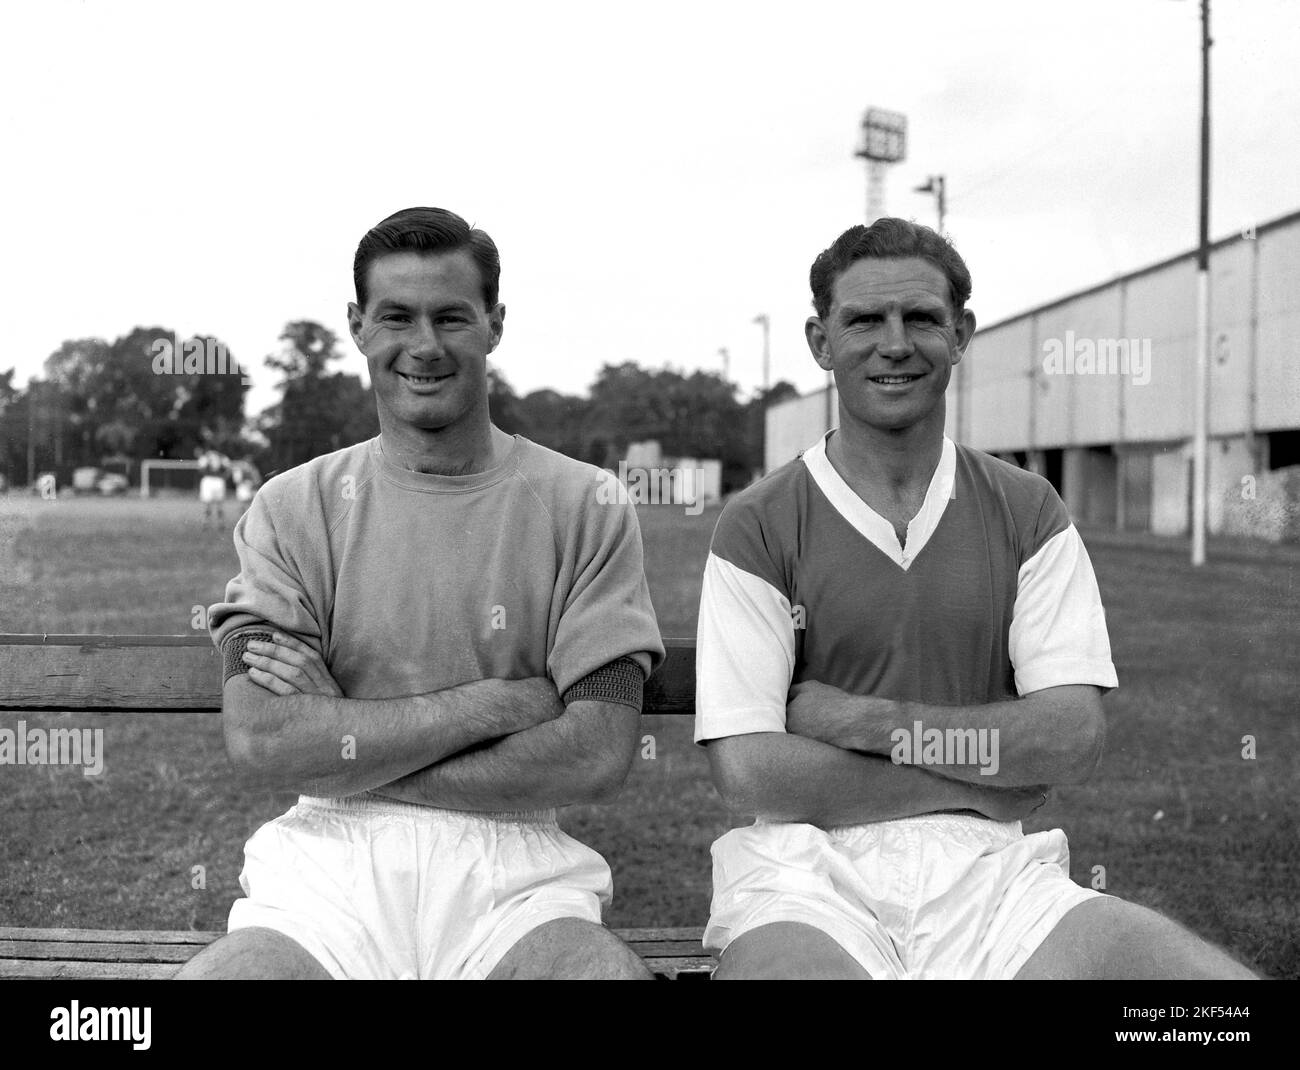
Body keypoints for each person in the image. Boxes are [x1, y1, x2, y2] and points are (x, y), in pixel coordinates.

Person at [694, 218, 1257, 980]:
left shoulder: (1028, 509)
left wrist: (866, 722)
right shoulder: (760, 522)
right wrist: (986, 776)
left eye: (921, 318)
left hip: (992, 873)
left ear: (960, 333)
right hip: (804, 875)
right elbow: (752, 773)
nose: (895, 343)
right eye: (864, 319)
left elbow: (1070, 738)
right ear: (820, 341)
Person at [178, 207, 664, 980]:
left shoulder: (584, 503)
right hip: (327, 864)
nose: (425, 346)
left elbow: (596, 754)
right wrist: (500, 705)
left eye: (452, 317)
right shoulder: (290, 506)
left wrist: (343, 739)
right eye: (397, 317)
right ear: (357, 326)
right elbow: (265, 737)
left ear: (495, 324)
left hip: (515, 869)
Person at [196, 445, 230, 527]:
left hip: (210, 480)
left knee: (209, 503)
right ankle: (219, 522)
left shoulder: (205, 457)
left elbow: (201, 469)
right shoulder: (223, 457)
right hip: (217, 480)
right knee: (218, 503)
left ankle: (206, 522)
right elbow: (228, 470)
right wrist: (223, 476)